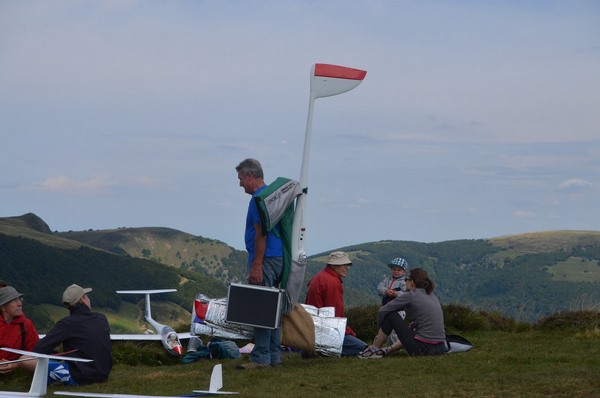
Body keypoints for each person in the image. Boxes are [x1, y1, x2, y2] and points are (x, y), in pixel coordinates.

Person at [235, 158, 284, 370]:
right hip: (278, 256)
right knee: (273, 309)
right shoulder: (272, 197)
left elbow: (260, 233)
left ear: (249, 175)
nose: (240, 184)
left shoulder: (258, 199)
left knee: (261, 309)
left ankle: (261, 359)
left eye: (240, 179)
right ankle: (273, 356)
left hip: (265, 258)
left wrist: (257, 264)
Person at [28, 284, 113, 385]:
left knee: (24, 360)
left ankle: (53, 379)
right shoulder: (101, 318)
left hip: (81, 377)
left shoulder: (67, 323)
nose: (88, 298)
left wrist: (55, 354)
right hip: (104, 373)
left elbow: (40, 349)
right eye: (86, 296)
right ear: (82, 299)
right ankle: (53, 378)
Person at [359, 267, 447, 358]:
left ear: (412, 282)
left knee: (390, 314)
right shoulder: (431, 295)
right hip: (440, 348)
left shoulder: (411, 295)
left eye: (406, 279)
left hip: (422, 349)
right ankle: (386, 350)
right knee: (411, 328)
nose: (405, 282)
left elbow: (383, 310)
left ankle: (374, 349)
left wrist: (380, 329)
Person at [305, 251, 368, 356]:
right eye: (344, 265)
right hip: (325, 329)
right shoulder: (332, 282)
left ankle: (314, 349)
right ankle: (320, 351)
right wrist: (348, 332)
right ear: (334, 266)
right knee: (365, 349)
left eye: (347, 265)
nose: (347, 268)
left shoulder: (320, 276)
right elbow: (335, 313)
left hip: (314, 327)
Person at [0, 285, 40, 374]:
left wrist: (16, 364)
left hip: (14, 365)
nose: (20, 304)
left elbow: (34, 351)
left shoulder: (26, 324)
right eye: (14, 301)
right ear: (3, 307)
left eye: (19, 299)